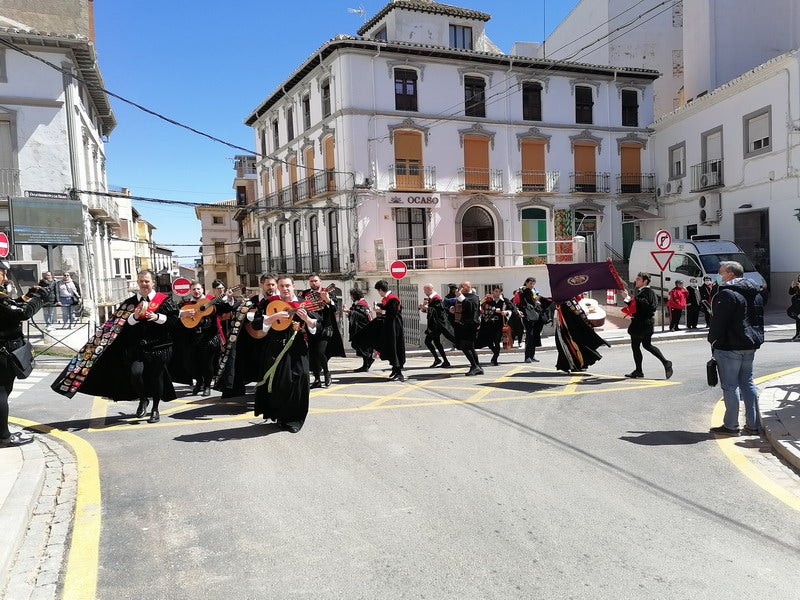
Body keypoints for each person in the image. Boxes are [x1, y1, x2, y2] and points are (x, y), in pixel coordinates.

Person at [52, 269, 180, 423]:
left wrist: (157, 317)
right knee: (135, 374)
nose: (144, 284)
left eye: (147, 281)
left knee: (156, 377)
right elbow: (119, 326)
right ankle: (143, 399)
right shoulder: (129, 303)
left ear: (153, 282)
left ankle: (155, 409)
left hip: (159, 348)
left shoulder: (164, 301)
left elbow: (174, 322)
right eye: (141, 281)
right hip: (136, 349)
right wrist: (134, 318)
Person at [253, 276, 319, 433]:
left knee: (301, 378)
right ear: (278, 287)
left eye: (288, 285)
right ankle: (282, 417)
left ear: (293, 286)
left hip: (298, 349)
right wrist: (272, 318)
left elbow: (318, 326)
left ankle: (295, 419)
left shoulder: (303, 304)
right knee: (281, 383)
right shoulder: (269, 303)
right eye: (282, 286)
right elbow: (256, 324)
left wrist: (307, 319)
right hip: (275, 348)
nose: (285, 289)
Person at [708, 261, 765, 436]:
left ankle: (731, 425)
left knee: (730, 386)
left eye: (721, 272)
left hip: (729, 346)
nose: (718, 275)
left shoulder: (727, 294)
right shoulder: (756, 293)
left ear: (731, 274)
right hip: (750, 345)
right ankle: (753, 425)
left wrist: (712, 340)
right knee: (748, 383)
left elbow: (718, 323)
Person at [0, 266, 45, 446]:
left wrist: (28, 296)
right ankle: (4, 437)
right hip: (3, 351)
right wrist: (40, 299)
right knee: (2, 392)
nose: (4, 277)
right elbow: (22, 313)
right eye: (2, 273)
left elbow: (11, 306)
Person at [215, 274, 276, 398]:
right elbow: (236, 314)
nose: (271, 287)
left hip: (272, 339)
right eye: (268, 285)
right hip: (253, 340)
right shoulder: (251, 302)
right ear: (261, 285)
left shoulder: (279, 301)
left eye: (273, 284)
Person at [173, 281, 223, 397]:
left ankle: (207, 386)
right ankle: (199, 381)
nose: (196, 291)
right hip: (191, 338)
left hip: (207, 337)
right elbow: (178, 320)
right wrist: (183, 315)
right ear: (190, 291)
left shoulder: (210, 302)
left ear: (202, 290)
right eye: (194, 289)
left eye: (198, 289)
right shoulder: (185, 304)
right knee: (189, 363)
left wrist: (226, 298)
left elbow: (223, 310)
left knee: (207, 363)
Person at [623, 272, 673, 379]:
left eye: (638, 279)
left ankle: (639, 370)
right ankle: (665, 362)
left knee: (636, 346)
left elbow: (642, 305)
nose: (636, 280)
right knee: (647, 345)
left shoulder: (646, 292)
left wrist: (628, 298)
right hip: (646, 323)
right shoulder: (648, 292)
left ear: (645, 281)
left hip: (641, 324)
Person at [302, 274, 345, 388]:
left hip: (325, 328)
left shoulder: (328, 293)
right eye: (311, 281)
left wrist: (327, 299)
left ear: (320, 281)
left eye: (315, 281)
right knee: (312, 353)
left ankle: (326, 373)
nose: (313, 283)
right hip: (310, 326)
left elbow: (334, 308)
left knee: (320, 351)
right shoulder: (304, 294)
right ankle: (317, 379)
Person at [373, 279, 405, 381]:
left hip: (394, 326)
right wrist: (380, 306)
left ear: (381, 290)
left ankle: (398, 372)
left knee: (394, 348)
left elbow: (393, 312)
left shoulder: (393, 298)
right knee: (390, 348)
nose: (378, 293)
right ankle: (394, 369)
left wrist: (380, 310)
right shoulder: (388, 298)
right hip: (390, 326)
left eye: (378, 291)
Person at [476, 285, 514, 366]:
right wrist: (493, 310)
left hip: (499, 324)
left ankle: (495, 357)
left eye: (499, 292)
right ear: (493, 291)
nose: (497, 293)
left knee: (497, 341)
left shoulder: (505, 301)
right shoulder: (487, 300)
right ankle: (495, 353)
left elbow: (511, 309)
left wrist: (506, 313)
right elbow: (480, 308)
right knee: (488, 341)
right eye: (496, 291)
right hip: (487, 323)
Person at [419, 283, 454, 368]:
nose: (424, 292)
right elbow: (431, 311)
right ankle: (444, 361)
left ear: (429, 289)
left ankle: (438, 359)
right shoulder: (431, 298)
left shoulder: (437, 298)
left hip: (437, 325)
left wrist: (427, 308)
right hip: (434, 324)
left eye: (425, 290)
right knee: (437, 343)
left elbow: (438, 311)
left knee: (427, 341)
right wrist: (423, 308)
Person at [452, 281, 482, 376]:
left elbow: (470, 306)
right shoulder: (464, 297)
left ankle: (474, 366)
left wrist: (460, 296)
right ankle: (478, 366)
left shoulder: (473, 297)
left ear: (467, 287)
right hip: (464, 325)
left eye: (461, 286)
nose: (459, 288)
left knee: (465, 347)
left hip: (471, 325)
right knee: (471, 347)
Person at [343, 288, 374, 372]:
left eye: (352, 295)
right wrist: (349, 312)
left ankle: (367, 363)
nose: (351, 297)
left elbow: (361, 315)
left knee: (361, 346)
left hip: (363, 329)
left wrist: (349, 311)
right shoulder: (358, 304)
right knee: (359, 345)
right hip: (360, 329)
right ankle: (367, 362)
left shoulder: (362, 304)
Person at [517, 277, 546, 363]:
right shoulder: (524, 290)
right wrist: (536, 301)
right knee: (530, 335)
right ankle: (527, 356)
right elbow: (529, 302)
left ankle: (532, 355)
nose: (532, 285)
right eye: (530, 283)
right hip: (528, 316)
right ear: (526, 283)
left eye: (533, 284)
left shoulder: (533, 291)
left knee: (534, 335)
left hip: (534, 315)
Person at [788, 274, 800, 341]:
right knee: (796, 317)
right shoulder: (797, 285)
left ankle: (798, 333)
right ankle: (798, 333)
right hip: (796, 306)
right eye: (799, 278)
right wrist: (791, 287)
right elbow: (790, 293)